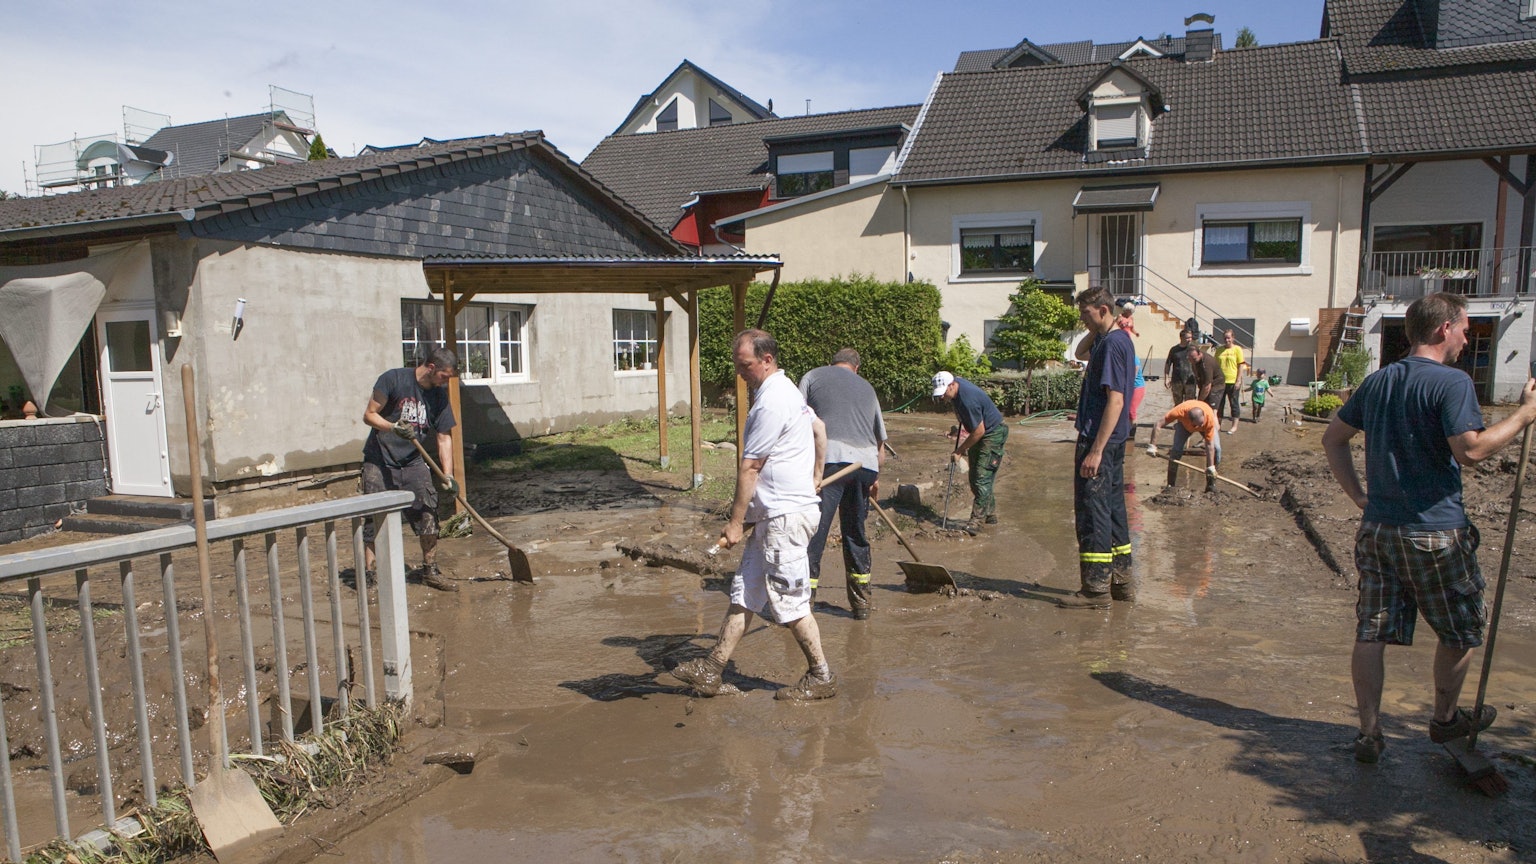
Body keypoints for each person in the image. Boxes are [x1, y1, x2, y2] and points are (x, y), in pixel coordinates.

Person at [1322, 292, 1536, 764]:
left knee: (1372, 632)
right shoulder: (1452, 382)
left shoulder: (1377, 381)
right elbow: (1472, 451)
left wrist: (1361, 498)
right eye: (1464, 328)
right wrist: (1523, 416)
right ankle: (1444, 720)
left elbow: (1332, 438)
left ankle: (1370, 734)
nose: (1466, 338)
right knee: (1461, 629)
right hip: (1435, 532)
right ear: (1443, 329)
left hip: (1378, 530)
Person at [672, 329, 837, 701]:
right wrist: (815, 477)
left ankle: (822, 676)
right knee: (745, 592)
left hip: (784, 520)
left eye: (745, 365)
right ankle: (712, 668)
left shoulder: (770, 402)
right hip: (774, 516)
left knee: (790, 602)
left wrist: (735, 522)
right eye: (737, 366)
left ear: (766, 359)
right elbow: (819, 430)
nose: (740, 373)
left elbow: (750, 468)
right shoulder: (789, 391)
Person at [1059, 286, 1137, 609]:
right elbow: (1079, 352)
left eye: (1086, 314)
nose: (1082, 319)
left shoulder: (1113, 345)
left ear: (1104, 310)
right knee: (1115, 509)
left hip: (1100, 441)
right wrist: (1098, 328)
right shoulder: (1109, 340)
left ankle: (1094, 589)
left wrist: (1095, 451)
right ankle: (1121, 583)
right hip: (1113, 441)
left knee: (1093, 512)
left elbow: (1116, 401)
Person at [360, 347, 460, 592]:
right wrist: (393, 427)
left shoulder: (438, 396)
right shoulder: (393, 379)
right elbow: (369, 415)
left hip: (414, 462)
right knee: (375, 519)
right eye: (445, 377)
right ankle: (369, 577)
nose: (446, 383)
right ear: (432, 368)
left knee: (428, 514)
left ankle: (430, 570)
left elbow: (444, 437)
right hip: (380, 459)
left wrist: (447, 475)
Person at [800, 348, 887, 619]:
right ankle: (861, 606)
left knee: (816, 531)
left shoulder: (813, 377)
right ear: (856, 368)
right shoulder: (868, 388)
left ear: (832, 363)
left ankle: (803, 605)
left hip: (831, 461)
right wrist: (874, 480)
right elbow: (880, 446)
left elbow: (797, 420)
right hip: (865, 465)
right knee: (854, 532)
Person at [932, 370, 1008, 530]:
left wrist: (960, 450)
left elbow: (979, 431)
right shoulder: (956, 388)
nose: (941, 397)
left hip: (992, 433)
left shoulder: (968, 400)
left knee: (982, 477)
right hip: (981, 432)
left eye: (943, 393)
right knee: (975, 476)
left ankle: (976, 522)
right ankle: (989, 513)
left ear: (952, 385)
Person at [1146, 401, 1221, 492]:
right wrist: (1152, 445)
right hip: (1184, 427)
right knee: (1176, 451)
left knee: (1217, 449)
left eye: (1201, 423)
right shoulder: (1179, 411)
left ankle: (1211, 484)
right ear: (1189, 419)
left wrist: (1210, 467)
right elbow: (1158, 424)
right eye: (1197, 424)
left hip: (1207, 425)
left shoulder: (1208, 419)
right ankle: (1170, 485)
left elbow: (1209, 445)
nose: (1200, 426)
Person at [1214, 330, 1248, 434]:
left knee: (1234, 403)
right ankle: (1218, 425)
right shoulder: (1219, 350)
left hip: (1232, 381)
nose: (1227, 340)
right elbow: (1215, 365)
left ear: (1233, 338)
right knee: (1220, 404)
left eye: (1228, 338)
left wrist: (1238, 380)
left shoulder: (1237, 349)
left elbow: (1241, 365)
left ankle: (1234, 426)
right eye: (1225, 338)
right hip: (1220, 381)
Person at [1164, 330, 1199, 404]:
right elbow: (1168, 364)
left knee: (1190, 403)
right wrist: (1166, 378)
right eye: (1187, 338)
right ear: (1181, 338)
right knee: (1177, 403)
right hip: (1177, 380)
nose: (1189, 339)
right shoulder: (1174, 350)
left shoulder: (1193, 349)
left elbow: (1199, 362)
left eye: (1190, 337)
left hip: (1190, 380)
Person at [1192, 343, 1221, 412]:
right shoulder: (1194, 360)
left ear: (1199, 354)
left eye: (1194, 359)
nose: (1192, 361)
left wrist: (1199, 401)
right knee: (1202, 409)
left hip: (1216, 385)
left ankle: (1214, 422)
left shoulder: (1207, 364)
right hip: (1204, 385)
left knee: (1212, 411)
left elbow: (1207, 386)